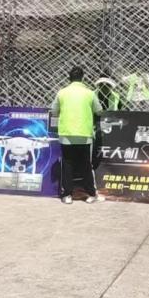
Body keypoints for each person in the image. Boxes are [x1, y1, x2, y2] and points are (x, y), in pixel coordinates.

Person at [50, 66, 103, 204]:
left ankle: (67, 195)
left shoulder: (62, 93)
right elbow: (99, 110)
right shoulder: (90, 93)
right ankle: (91, 194)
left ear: (69, 78)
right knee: (86, 164)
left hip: (67, 134)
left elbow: (54, 111)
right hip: (84, 134)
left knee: (67, 164)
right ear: (82, 78)